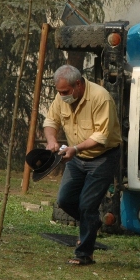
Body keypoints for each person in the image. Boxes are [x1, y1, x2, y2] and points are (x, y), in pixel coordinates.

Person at [43, 65, 122, 265]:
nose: (62, 96)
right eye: (59, 92)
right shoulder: (61, 97)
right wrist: (52, 141)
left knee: (87, 205)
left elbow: (102, 136)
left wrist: (75, 149)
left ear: (78, 84)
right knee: (65, 199)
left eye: (65, 92)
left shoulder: (100, 97)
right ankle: (92, 223)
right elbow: (51, 121)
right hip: (76, 158)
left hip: (102, 157)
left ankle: (84, 254)